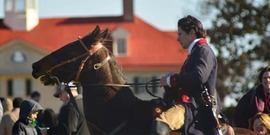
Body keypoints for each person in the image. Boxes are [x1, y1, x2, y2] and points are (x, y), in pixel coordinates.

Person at [150, 15, 221, 135]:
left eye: (180, 34)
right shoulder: (196, 52)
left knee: (160, 124)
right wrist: (170, 82)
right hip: (189, 105)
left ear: (192, 32)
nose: (177, 38)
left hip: (193, 108)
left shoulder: (204, 51)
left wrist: (171, 79)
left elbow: (199, 76)